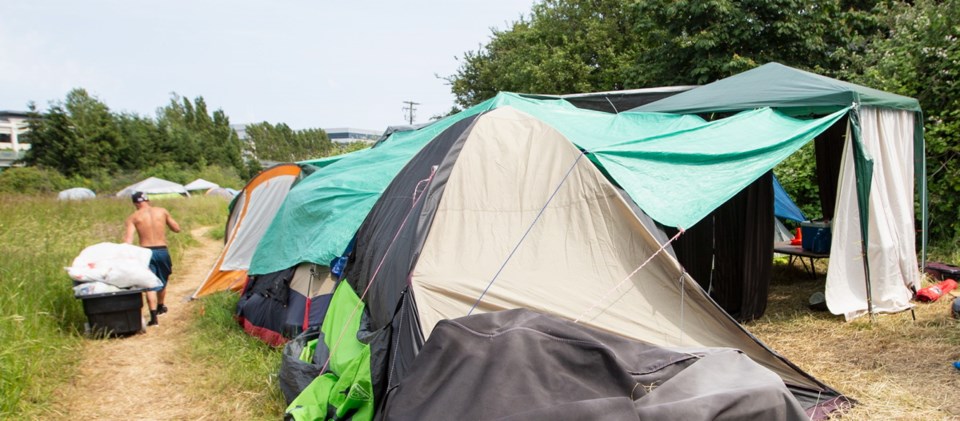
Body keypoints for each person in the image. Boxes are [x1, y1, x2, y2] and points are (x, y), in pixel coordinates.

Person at [123, 191, 181, 326]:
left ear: (135, 203)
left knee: (149, 283)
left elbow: (128, 240)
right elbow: (177, 228)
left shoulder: (133, 217)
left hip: (145, 252)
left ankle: (153, 318)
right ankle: (161, 306)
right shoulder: (162, 211)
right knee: (163, 279)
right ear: (148, 200)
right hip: (162, 250)